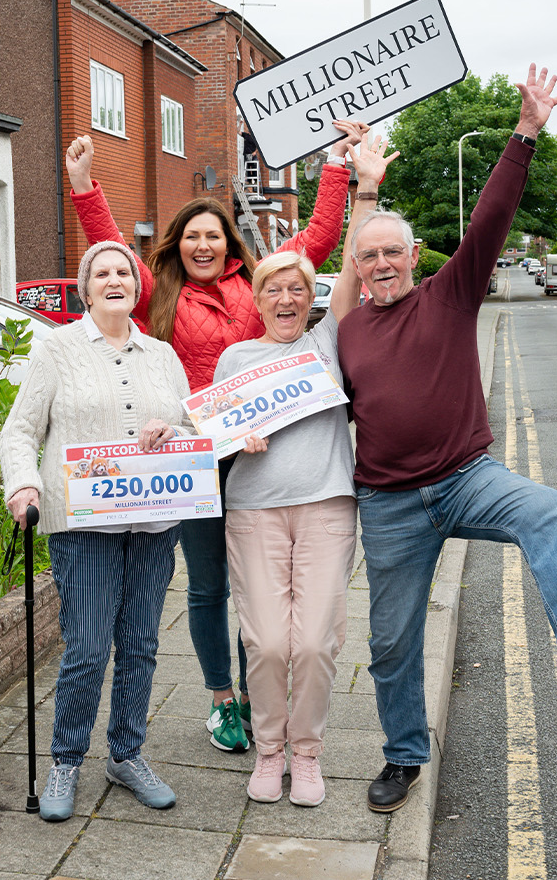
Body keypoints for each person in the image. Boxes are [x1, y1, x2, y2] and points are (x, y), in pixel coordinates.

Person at [337, 65, 557, 814]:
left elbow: (490, 218)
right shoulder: (344, 332)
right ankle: (403, 755)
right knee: (390, 642)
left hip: (464, 476)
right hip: (386, 504)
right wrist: (362, 188)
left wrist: (525, 133)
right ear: (356, 267)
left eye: (393, 253)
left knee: (543, 505)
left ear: (414, 259)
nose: (382, 263)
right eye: (369, 256)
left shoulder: (450, 294)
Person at [65, 122, 365, 753]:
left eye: (214, 235)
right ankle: (221, 698)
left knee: (256, 585)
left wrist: (338, 166)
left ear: (229, 242)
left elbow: (314, 244)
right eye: (193, 236)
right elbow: (110, 253)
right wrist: (85, 186)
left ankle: (258, 692)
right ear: (180, 244)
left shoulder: (255, 288)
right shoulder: (157, 291)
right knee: (207, 586)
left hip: (265, 456)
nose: (203, 245)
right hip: (195, 457)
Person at [213, 136, 398, 806]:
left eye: (297, 289)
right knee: (265, 643)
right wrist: (235, 439)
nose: (287, 299)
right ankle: (269, 752)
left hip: (326, 506)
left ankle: (308, 754)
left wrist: (362, 185)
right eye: (275, 290)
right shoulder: (234, 360)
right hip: (254, 509)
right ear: (258, 300)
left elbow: (351, 267)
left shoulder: (328, 341)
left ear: (308, 298)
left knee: (315, 642)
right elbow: (209, 438)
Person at [0, 240, 195, 822]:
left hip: (154, 519)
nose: (115, 279)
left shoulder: (161, 354)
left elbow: (191, 424)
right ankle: (66, 760)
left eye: (124, 273)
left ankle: (127, 754)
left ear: (137, 288)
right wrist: (23, 485)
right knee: (85, 647)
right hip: (82, 521)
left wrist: (173, 426)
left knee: (140, 643)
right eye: (102, 273)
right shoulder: (56, 349)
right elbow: (19, 430)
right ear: (85, 290)